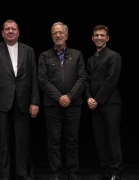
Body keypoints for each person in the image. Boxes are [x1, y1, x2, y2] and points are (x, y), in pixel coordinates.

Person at [0, 19, 40, 180]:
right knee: (3, 140)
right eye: (7, 29)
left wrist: (35, 101)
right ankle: (4, 174)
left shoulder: (28, 50)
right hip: (1, 101)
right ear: (2, 33)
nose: (10, 31)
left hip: (23, 100)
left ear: (18, 32)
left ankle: (22, 173)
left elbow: (34, 78)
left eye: (13, 29)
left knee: (22, 140)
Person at [37, 22, 86, 180]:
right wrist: (59, 97)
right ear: (52, 36)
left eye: (60, 32)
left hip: (73, 104)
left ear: (66, 35)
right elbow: (43, 80)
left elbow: (82, 79)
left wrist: (69, 97)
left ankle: (72, 172)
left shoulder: (77, 54)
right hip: (52, 105)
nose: (57, 35)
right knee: (53, 141)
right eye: (54, 33)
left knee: (72, 140)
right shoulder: (44, 56)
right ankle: (56, 173)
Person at [84, 25, 122, 180]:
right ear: (92, 38)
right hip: (94, 104)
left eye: (102, 35)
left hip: (110, 103)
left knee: (112, 137)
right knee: (100, 138)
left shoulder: (114, 56)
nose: (99, 38)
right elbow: (86, 81)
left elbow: (111, 80)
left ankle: (115, 172)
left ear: (107, 38)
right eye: (96, 35)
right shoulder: (90, 60)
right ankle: (105, 169)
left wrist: (97, 100)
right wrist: (88, 98)